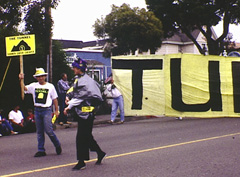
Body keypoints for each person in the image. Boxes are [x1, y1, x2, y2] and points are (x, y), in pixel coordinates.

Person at [64, 57, 106, 170]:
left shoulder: (85, 82)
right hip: (82, 113)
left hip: (87, 114)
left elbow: (80, 97)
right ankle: (100, 152)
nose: (73, 69)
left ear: (79, 69)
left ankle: (81, 161)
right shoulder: (79, 79)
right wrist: (68, 96)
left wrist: (69, 106)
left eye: (74, 67)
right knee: (87, 136)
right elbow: (73, 90)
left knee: (81, 137)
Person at [19, 68, 62, 157]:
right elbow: (24, 88)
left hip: (46, 110)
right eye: (38, 77)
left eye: (42, 76)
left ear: (45, 76)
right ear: (36, 78)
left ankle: (57, 144)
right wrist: (21, 79)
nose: (40, 78)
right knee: (39, 131)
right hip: (37, 110)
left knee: (49, 130)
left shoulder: (50, 86)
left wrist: (56, 110)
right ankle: (41, 149)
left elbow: (55, 99)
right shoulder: (34, 86)